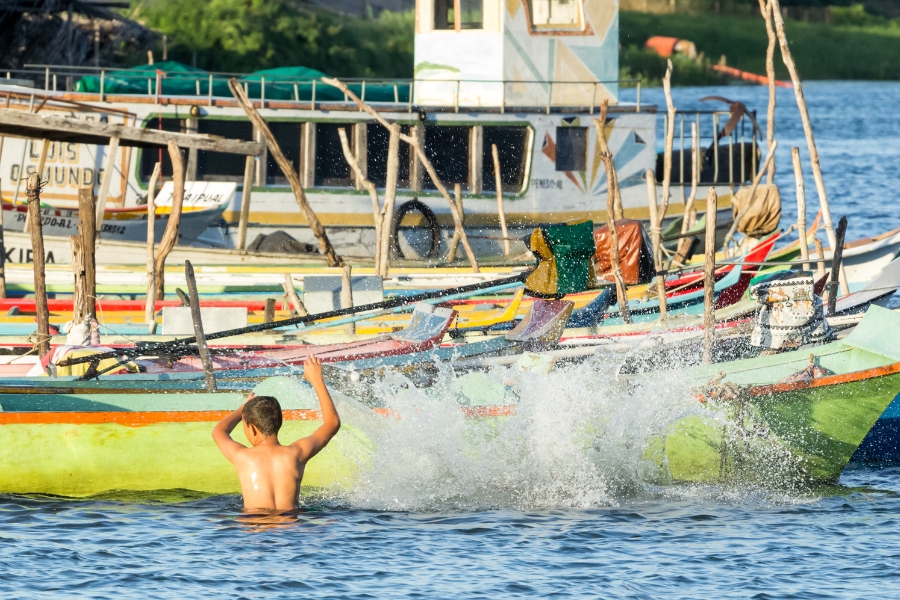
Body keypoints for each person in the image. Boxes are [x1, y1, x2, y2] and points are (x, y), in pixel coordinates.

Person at [212, 356, 341, 510]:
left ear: (251, 429)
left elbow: (219, 431)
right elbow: (332, 423)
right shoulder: (296, 453)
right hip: (290, 526)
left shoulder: (242, 456)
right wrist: (317, 381)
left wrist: (243, 408)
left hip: (255, 525)